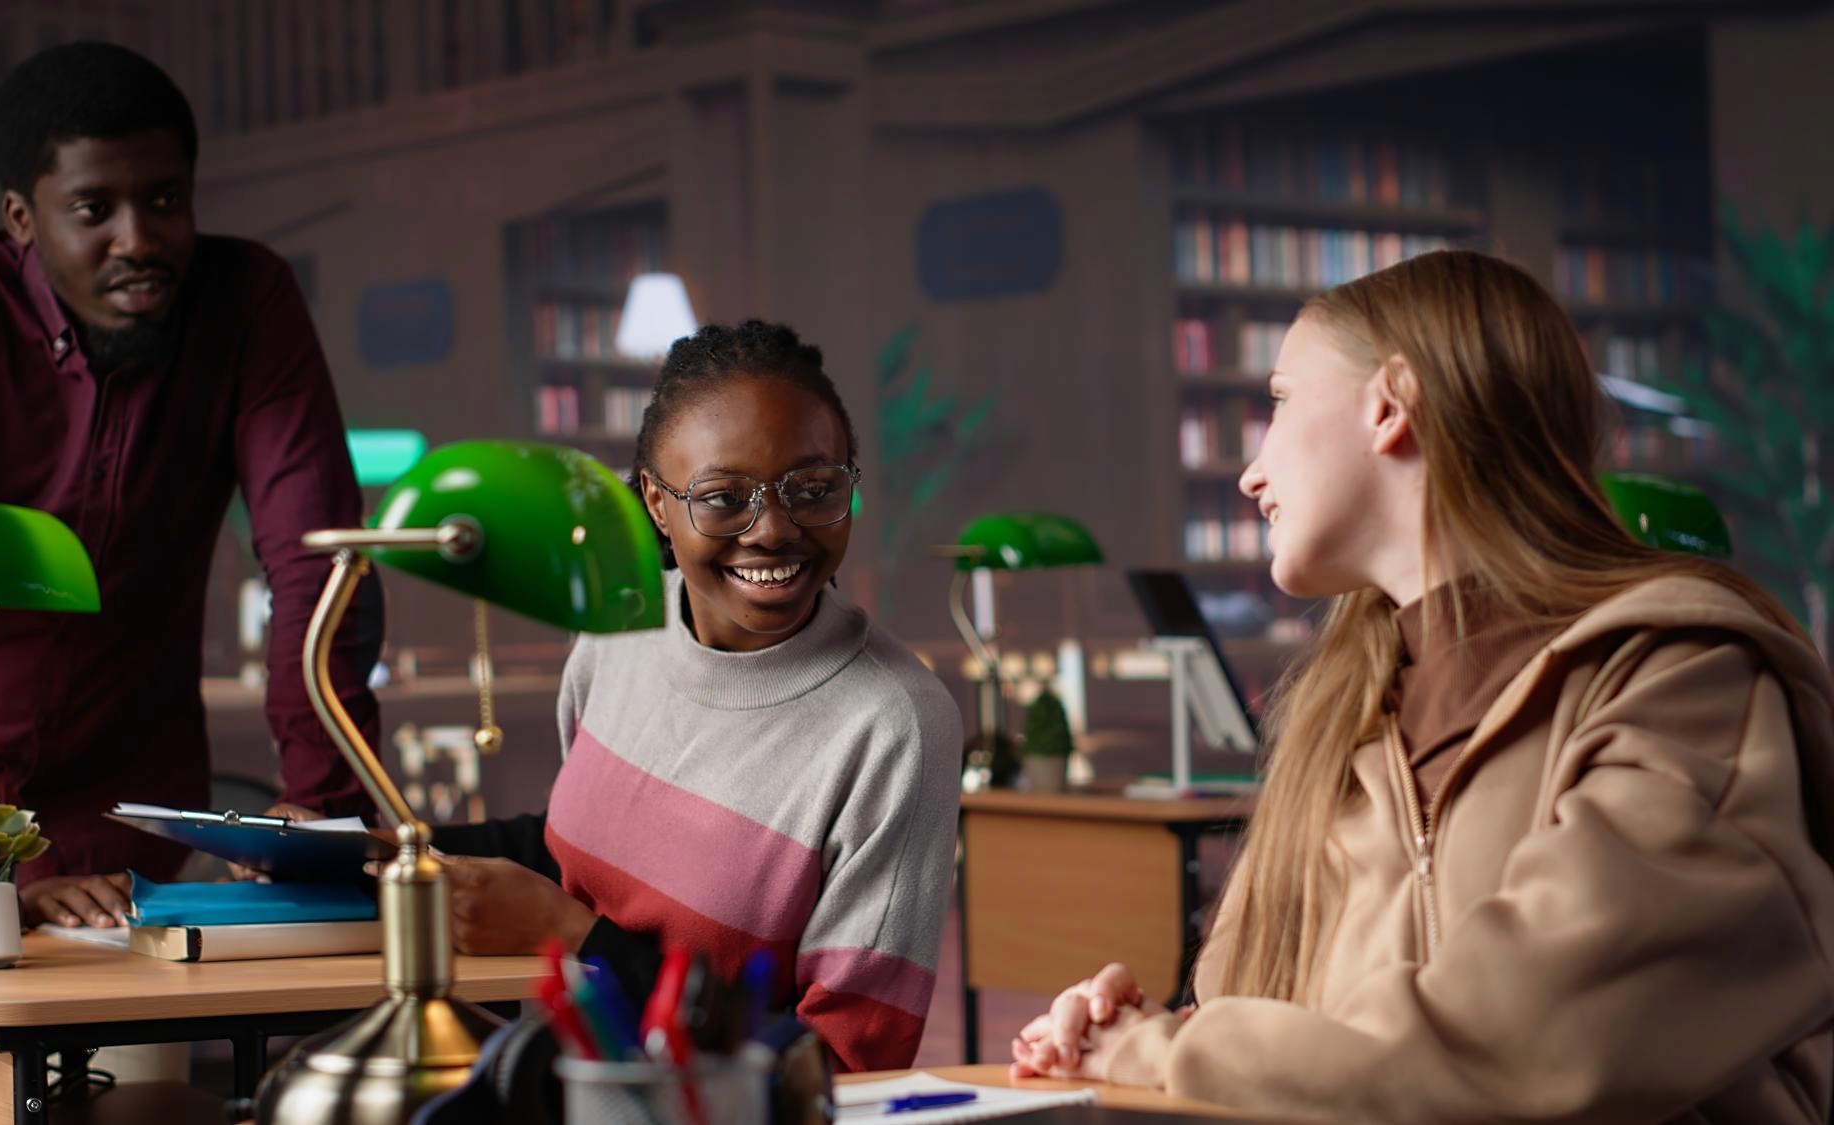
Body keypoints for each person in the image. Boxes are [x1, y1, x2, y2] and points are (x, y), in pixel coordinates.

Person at [1011, 250, 1834, 1123]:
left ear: (1390, 403)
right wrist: (1137, 1025)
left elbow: (1523, 1041)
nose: (1252, 474)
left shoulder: (1686, 679)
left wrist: (1163, 1056)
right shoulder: (1339, 724)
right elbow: (1258, 1026)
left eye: (1281, 402)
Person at [0, 41, 383, 933]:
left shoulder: (249, 301)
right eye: (95, 209)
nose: (140, 239)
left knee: (144, 1076)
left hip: (127, 822)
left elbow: (319, 567)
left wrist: (317, 804)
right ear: (22, 216)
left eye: (164, 200)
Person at [419, 321, 963, 1073]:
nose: (773, 530)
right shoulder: (618, 630)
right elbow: (586, 847)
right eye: (722, 496)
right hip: (552, 1082)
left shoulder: (895, 723)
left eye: (812, 489)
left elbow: (841, 1060)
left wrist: (573, 935)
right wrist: (364, 845)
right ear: (655, 501)